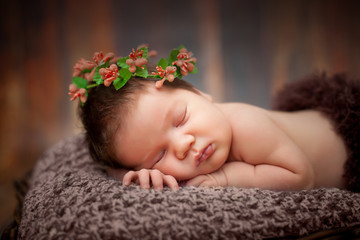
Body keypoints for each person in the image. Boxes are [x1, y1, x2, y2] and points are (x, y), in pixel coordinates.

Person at [69, 45, 360, 192]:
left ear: (200, 93)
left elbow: (301, 176)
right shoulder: (187, 159)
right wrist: (137, 175)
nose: (183, 145)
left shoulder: (246, 125)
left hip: (351, 138)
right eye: (158, 156)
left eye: (181, 119)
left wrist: (223, 178)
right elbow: (121, 173)